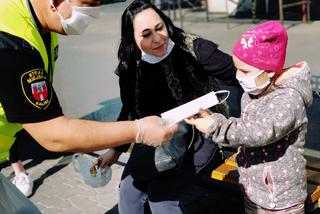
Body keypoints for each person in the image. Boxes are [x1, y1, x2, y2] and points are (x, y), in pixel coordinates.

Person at [0, 0, 178, 199]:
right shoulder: (10, 41)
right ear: (56, 3)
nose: (94, 12)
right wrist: (139, 130)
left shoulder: (41, 24)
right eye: (88, 3)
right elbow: (54, 134)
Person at [97, 1, 239, 213]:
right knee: (128, 189)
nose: (157, 38)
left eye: (159, 27)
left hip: (198, 135)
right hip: (156, 136)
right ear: (132, 39)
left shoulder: (193, 48)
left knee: (161, 196)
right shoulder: (130, 66)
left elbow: (240, 73)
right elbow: (128, 110)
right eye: (146, 34)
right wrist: (115, 150)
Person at [186, 20, 313, 213]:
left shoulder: (289, 99)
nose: (238, 76)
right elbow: (245, 127)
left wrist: (215, 127)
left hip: (280, 198)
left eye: (245, 71)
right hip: (254, 190)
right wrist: (214, 118)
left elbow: (259, 132)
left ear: (269, 71)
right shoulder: (255, 90)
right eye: (237, 68)